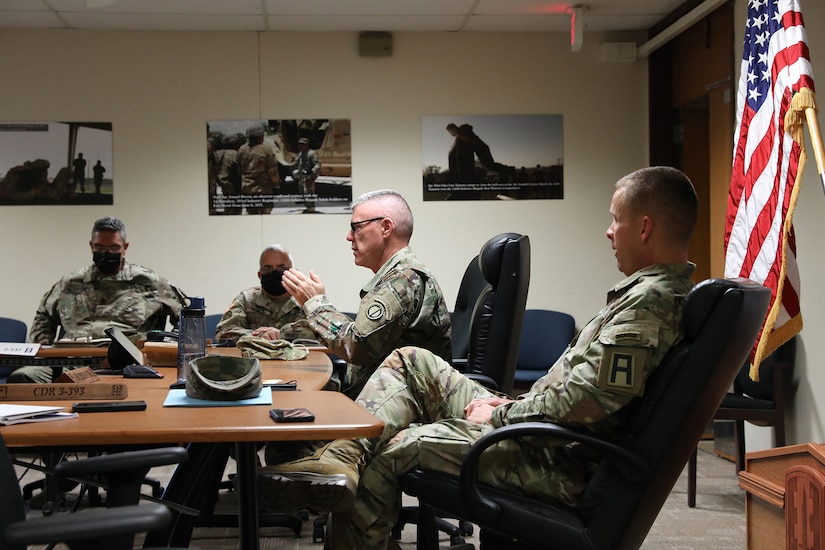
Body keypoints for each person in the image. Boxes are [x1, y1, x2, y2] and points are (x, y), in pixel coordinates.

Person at [259, 166, 699, 549]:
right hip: (542, 428)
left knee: (399, 445)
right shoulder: (647, 294)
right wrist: (509, 407)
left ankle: (349, 491)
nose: (608, 231)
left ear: (643, 228)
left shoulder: (649, 303)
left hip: (556, 455)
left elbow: (588, 401)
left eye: (615, 220)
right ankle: (342, 460)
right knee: (410, 359)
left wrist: (502, 416)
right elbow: (584, 394)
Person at [280, 189, 452, 399]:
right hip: (383, 395)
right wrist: (284, 334)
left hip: (402, 407)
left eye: (356, 227)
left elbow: (357, 346)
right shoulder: (396, 275)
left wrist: (315, 303)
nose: (349, 236)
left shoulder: (404, 279)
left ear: (386, 227)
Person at [10, 217, 185, 383]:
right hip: (70, 363)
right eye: (100, 248)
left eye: (113, 248)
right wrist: (43, 346)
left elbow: (186, 317)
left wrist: (162, 349)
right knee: (23, 376)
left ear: (125, 247)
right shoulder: (70, 282)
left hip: (125, 365)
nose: (106, 253)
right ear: (91, 245)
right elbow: (44, 316)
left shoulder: (150, 283)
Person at [214, 244, 315, 343]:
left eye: (281, 267)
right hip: (255, 358)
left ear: (294, 272)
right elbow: (223, 332)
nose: (275, 272)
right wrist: (258, 335)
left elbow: (325, 334)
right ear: (260, 275)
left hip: (301, 358)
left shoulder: (308, 299)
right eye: (267, 268)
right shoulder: (246, 299)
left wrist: (282, 334)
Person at [446, 122, 515, 180]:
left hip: (482, 148)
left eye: (450, 132)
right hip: (480, 148)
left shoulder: (462, 132)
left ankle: (510, 170)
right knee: (489, 165)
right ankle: (509, 171)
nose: (451, 134)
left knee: (489, 165)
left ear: (452, 129)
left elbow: (465, 143)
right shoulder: (460, 135)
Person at [236, 124, 280, 215]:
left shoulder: (242, 149)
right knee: (264, 214)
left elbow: (238, 167)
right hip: (263, 190)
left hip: (247, 189)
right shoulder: (266, 149)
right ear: (260, 136)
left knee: (251, 213)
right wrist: (276, 185)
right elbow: (272, 171)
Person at [291, 136, 322, 213]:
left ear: (306, 145)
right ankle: (308, 207)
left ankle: (311, 209)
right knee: (303, 193)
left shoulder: (312, 153)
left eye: (302, 144)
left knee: (308, 193)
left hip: (308, 177)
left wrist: (312, 171)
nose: (300, 146)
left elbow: (318, 164)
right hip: (301, 177)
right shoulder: (300, 154)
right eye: (299, 144)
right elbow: (296, 162)